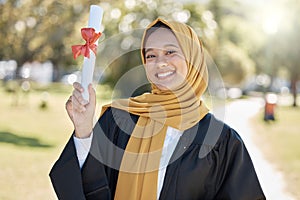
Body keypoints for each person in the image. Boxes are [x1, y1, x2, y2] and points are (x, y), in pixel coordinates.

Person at [49, 18, 266, 200]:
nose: (159, 62)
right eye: (150, 55)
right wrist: (84, 130)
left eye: (170, 52)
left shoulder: (222, 141)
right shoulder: (119, 120)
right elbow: (86, 185)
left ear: (193, 59)